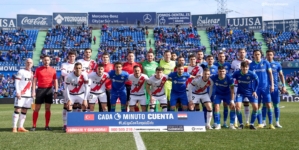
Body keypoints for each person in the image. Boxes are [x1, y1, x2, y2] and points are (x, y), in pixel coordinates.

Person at [31, 55, 58, 131]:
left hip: (49, 90)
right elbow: (34, 81)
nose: (46, 61)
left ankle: (47, 126)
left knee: (47, 108)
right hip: (40, 90)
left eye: (48, 60)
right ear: (42, 61)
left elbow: (55, 81)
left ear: (50, 61)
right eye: (45, 60)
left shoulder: (53, 70)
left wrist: (56, 91)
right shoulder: (38, 70)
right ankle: (34, 126)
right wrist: (33, 91)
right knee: (36, 108)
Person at [249, 50, 275, 129]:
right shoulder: (251, 65)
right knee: (258, 106)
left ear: (261, 55)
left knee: (269, 105)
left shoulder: (266, 63)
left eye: (258, 54)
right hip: (256, 89)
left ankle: (270, 124)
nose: (257, 56)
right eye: (255, 54)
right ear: (253, 55)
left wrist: (272, 85)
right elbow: (250, 78)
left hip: (265, 87)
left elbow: (270, 74)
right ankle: (260, 123)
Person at [232, 61, 259, 130]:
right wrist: (231, 85)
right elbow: (231, 78)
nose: (245, 70)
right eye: (243, 68)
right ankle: (241, 124)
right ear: (241, 68)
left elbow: (257, 81)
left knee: (256, 107)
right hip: (240, 92)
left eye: (246, 68)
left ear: (248, 67)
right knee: (237, 107)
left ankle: (252, 124)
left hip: (250, 92)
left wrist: (254, 91)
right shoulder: (237, 73)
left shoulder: (252, 74)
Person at [230, 48, 252, 127]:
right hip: (236, 86)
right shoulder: (234, 62)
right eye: (240, 52)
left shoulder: (249, 62)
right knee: (237, 105)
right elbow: (232, 74)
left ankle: (247, 121)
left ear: (245, 53)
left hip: (246, 86)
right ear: (238, 53)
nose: (242, 54)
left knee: (246, 103)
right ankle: (236, 121)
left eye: (243, 52)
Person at [65, 63, 89, 129]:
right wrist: (69, 99)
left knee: (85, 106)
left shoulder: (84, 75)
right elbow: (66, 88)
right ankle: (68, 125)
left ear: (81, 69)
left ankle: (85, 124)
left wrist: (85, 99)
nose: (78, 69)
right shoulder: (69, 76)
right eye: (77, 68)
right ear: (74, 69)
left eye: (79, 68)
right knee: (69, 106)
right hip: (72, 94)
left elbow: (86, 87)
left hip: (81, 94)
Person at [12, 58, 33, 132]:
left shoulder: (32, 73)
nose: (29, 63)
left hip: (28, 95)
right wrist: (18, 92)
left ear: (32, 64)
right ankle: (14, 127)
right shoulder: (21, 71)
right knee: (17, 109)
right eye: (27, 62)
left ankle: (20, 127)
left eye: (30, 62)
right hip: (21, 94)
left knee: (24, 110)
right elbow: (17, 82)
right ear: (25, 63)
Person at [266, 50, 286, 128]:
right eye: (268, 55)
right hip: (265, 88)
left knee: (276, 105)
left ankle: (277, 122)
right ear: (266, 56)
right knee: (265, 105)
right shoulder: (264, 64)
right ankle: (264, 122)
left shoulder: (277, 64)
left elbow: (281, 75)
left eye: (270, 54)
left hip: (275, 87)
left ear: (273, 55)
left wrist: (284, 85)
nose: (269, 56)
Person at [214, 52, 232, 128]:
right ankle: (217, 123)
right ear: (218, 57)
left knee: (226, 106)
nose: (221, 57)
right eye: (220, 56)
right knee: (216, 106)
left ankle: (225, 122)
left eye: (223, 56)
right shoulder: (215, 65)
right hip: (217, 90)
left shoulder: (228, 65)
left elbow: (230, 74)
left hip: (226, 90)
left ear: (225, 57)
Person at [61, 51, 76, 130]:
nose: (72, 57)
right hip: (67, 87)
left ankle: (74, 122)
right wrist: (73, 73)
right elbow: (63, 73)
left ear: (75, 57)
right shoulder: (64, 64)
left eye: (73, 56)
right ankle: (65, 124)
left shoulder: (77, 64)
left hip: (76, 88)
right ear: (68, 57)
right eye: (70, 56)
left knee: (76, 106)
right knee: (66, 106)